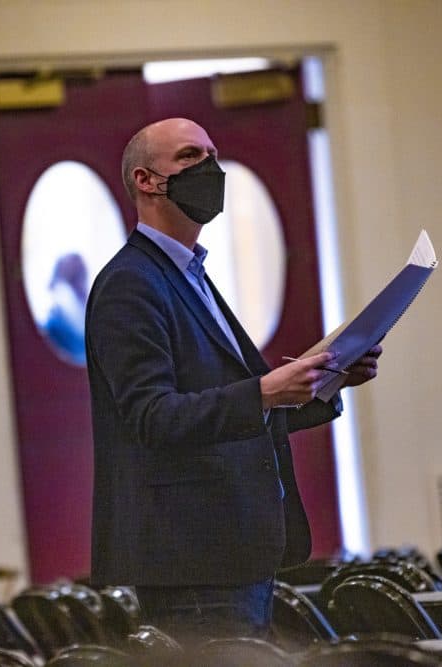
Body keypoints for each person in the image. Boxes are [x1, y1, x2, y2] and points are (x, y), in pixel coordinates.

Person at [85, 118, 382, 643]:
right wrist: (266, 389)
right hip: (193, 558)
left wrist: (326, 380)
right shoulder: (130, 284)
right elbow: (153, 417)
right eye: (190, 156)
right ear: (145, 180)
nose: (210, 168)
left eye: (213, 154)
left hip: (231, 551)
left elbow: (233, 405)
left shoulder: (187, 274)